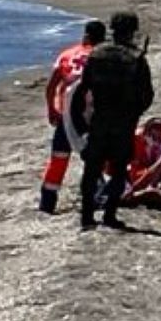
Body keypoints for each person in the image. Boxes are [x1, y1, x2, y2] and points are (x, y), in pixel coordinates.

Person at [65, 11, 156, 231]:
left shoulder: (97, 55)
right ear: (133, 31)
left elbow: (81, 91)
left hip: (100, 118)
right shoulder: (136, 59)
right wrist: (134, 112)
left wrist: (80, 125)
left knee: (92, 169)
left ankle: (87, 215)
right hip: (123, 120)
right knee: (118, 169)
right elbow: (147, 95)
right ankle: (109, 214)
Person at [39, 19, 106, 213]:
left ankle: (47, 203)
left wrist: (52, 109)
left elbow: (52, 86)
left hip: (66, 115)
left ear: (85, 35)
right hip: (91, 117)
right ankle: (96, 196)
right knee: (94, 158)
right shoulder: (102, 57)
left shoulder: (67, 55)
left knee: (59, 157)